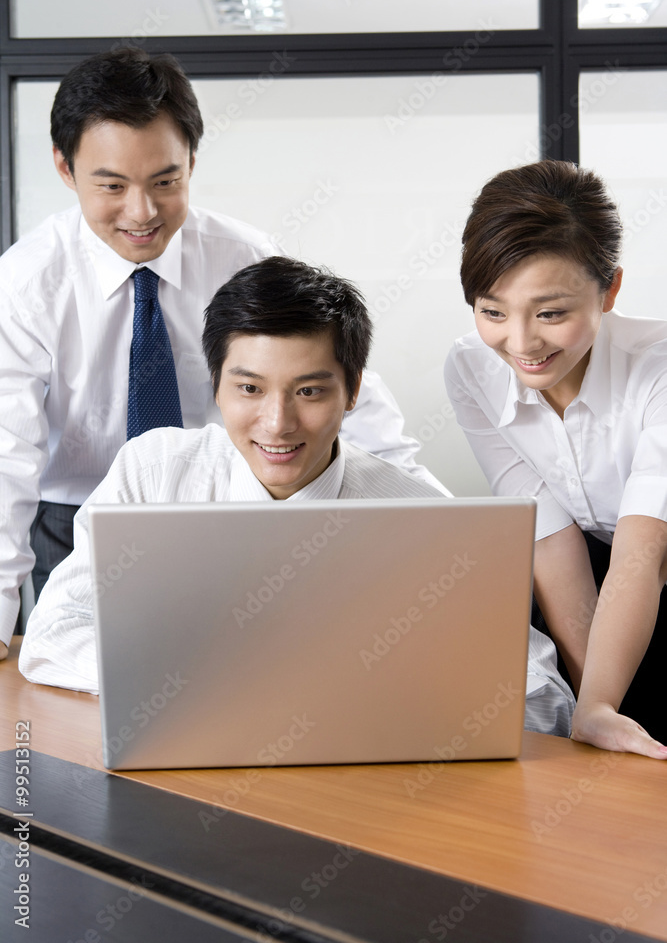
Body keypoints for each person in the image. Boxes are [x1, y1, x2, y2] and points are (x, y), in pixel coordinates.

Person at [0, 47, 446, 661]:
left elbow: (328, 378)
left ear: (191, 164)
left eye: (166, 182)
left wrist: (437, 525)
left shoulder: (239, 253)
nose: (143, 212)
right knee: (85, 678)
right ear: (65, 168)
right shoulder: (26, 283)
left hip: (223, 504)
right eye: (112, 186)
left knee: (241, 665)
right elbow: (6, 454)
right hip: (76, 517)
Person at [19, 257, 574, 737]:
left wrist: (386, 700)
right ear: (215, 386)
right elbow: (52, 635)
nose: (277, 423)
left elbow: (542, 696)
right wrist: (207, 684)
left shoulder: (418, 515)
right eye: (249, 389)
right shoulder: (155, 470)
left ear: (354, 390)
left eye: (309, 391)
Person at [445, 159, 667, 759]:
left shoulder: (659, 369)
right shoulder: (470, 368)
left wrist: (602, 701)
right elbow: (551, 537)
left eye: (550, 314)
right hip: (602, 563)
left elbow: (643, 554)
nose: (520, 344)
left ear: (610, 289)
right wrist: (591, 705)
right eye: (493, 312)